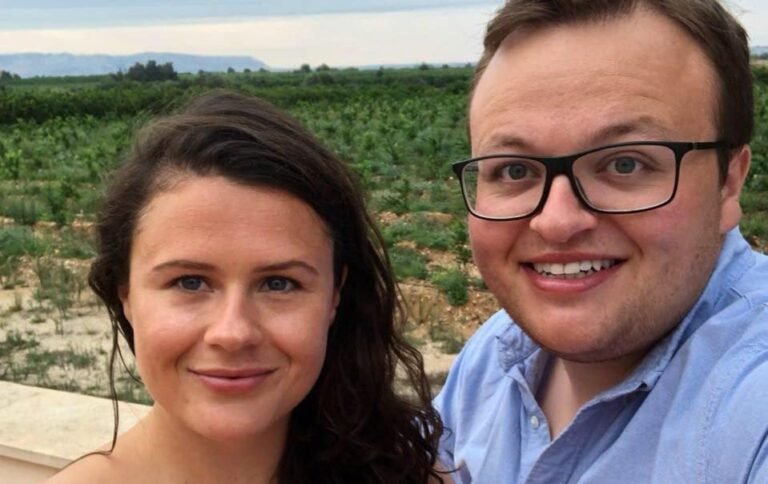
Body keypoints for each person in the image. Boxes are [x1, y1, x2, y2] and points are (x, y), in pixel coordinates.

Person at [434, 0, 768, 482]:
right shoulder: (494, 354)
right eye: (514, 170)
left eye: (626, 164)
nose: (556, 223)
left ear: (729, 182)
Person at [49, 90, 444, 483]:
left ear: (334, 296)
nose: (233, 333)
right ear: (126, 295)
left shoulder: (408, 477)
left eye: (278, 284)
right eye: (189, 282)